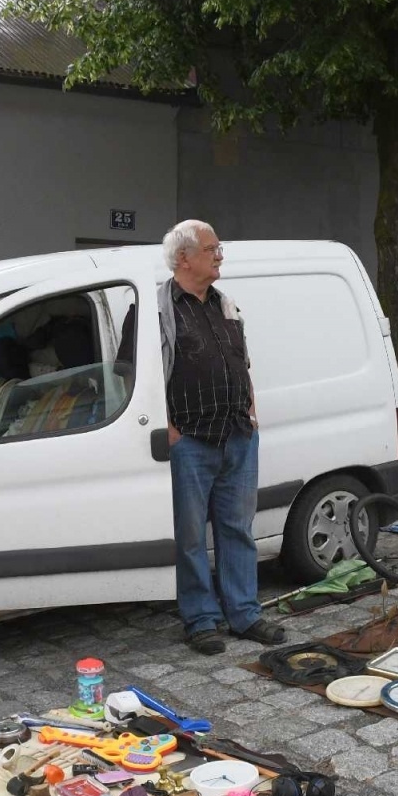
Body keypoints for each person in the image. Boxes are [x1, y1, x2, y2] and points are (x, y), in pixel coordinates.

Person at [159, 220, 286, 655]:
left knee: (238, 529)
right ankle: (201, 619)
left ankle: (245, 614)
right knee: (192, 534)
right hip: (190, 440)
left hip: (236, 434)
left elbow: (241, 361)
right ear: (184, 257)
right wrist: (170, 430)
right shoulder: (159, 309)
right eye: (212, 249)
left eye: (219, 249)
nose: (220, 256)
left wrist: (250, 410)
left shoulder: (224, 303)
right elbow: (133, 374)